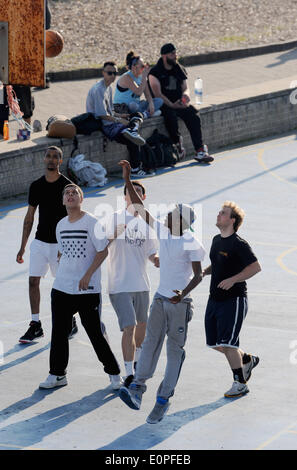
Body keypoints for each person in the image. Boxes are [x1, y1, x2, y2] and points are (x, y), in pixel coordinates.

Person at [118, 160, 206, 424]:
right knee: (149, 346)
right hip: (160, 299)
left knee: (174, 352)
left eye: (172, 213)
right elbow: (138, 207)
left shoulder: (191, 241)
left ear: (182, 220)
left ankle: (163, 399)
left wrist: (183, 293)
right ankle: (137, 389)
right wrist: (127, 178)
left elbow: (199, 274)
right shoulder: (163, 230)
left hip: (180, 304)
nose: (167, 214)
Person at [39, 184, 121, 390]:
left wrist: (87, 275)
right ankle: (57, 374)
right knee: (58, 333)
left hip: (87, 289)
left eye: (74, 192)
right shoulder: (60, 224)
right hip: (61, 288)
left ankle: (114, 374)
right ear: (63, 200)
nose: (70, 195)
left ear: (81, 198)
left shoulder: (91, 222)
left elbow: (102, 251)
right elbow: (62, 252)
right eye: (67, 193)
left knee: (94, 333)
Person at [16, 146, 78, 343]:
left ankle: (70, 321)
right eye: (48, 156)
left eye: (55, 157)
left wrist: (66, 245)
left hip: (61, 246)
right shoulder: (36, 186)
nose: (51, 160)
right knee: (33, 281)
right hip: (40, 243)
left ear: (60, 161)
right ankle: (36, 325)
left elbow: (74, 217)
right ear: (44, 159)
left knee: (64, 286)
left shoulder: (68, 187)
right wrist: (23, 246)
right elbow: (29, 217)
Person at [203, 201, 261, 398]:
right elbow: (218, 264)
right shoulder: (216, 240)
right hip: (214, 299)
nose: (218, 215)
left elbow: (255, 267)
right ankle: (245, 359)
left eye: (223, 213)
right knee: (214, 342)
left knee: (228, 343)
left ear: (232, 220)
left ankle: (240, 383)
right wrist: (205, 271)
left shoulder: (239, 244)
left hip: (233, 300)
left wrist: (233, 280)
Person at [106, 181, 159, 387]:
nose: (135, 194)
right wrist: (114, 234)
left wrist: (156, 259)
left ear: (143, 198)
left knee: (141, 326)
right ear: (125, 196)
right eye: (131, 191)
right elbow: (100, 245)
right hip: (119, 284)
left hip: (141, 284)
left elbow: (151, 251)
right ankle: (128, 372)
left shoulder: (147, 223)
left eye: (139, 192)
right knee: (129, 327)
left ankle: (137, 362)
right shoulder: (113, 218)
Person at [148, 43, 213, 164]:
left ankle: (200, 150)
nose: (175, 56)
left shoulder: (179, 68)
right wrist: (172, 105)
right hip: (163, 103)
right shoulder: (155, 72)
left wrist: (186, 96)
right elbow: (158, 95)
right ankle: (177, 144)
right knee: (170, 116)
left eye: (175, 53)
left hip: (178, 102)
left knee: (193, 115)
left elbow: (185, 88)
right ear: (164, 56)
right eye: (172, 54)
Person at [86, 61, 153, 178]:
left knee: (136, 115)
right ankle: (135, 169)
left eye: (114, 73)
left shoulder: (108, 88)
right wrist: (119, 121)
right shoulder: (99, 90)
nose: (112, 76)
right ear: (103, 73)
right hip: (104, 125)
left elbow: (110, 111)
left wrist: (123, 116)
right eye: (109, 73)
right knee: (132, 139)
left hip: (111, 121)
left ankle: (132, 129)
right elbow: (101, 115)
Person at [113, 51, 163, 118]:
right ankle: (145, 114)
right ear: (134, 67)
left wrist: (151, 104)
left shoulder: (141, 77)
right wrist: (144, 76)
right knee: (133, 105)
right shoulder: (126, 77)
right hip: (124, 107)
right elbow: (138, 92)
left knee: (159, 101)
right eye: (142, 66)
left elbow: (147, 95)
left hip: (138, 104)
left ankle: (144, 114)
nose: (144, 68)